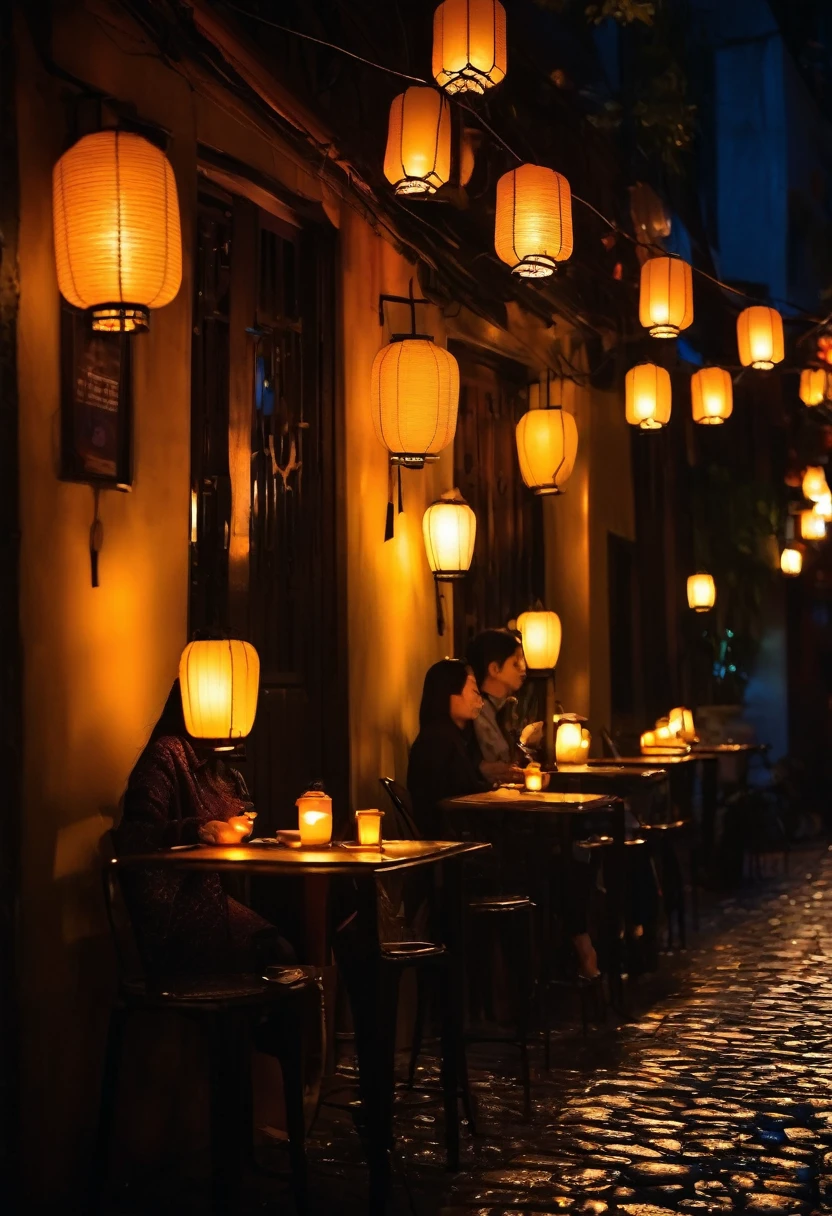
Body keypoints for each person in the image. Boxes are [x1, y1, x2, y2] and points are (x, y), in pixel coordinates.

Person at [115, 680, 293, 976]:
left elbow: (234, 809)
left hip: (222, 897)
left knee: (304, 922)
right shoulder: (167, 753)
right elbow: (136, 835)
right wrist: (198, 829)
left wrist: (240, 823)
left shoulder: (216, 763)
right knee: (278, 952)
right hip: (179, 911)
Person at [406, 659, 490, 837]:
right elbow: (458, 798)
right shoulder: (437, 742)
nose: (479, 697)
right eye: (473, 689)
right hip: (454, 843)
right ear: (449, 692)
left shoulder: (446, 737)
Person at [467, 628, 541, 781]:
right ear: (495, 669)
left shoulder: (504, 707)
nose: (523, 669)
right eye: (515, 663)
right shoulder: (477, 712)